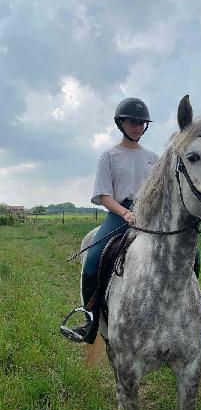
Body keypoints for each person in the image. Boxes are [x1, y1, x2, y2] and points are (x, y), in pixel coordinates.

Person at [61, 97, 159, 344]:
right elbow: (104, 195)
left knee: (193, 255)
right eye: (132, 122)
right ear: (121, 123)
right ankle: (90, 321)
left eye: (141, 123)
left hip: (150, 214)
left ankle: (193, 309)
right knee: (93, 261)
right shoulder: (109, 156)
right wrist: (125, 213)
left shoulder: (153, 158)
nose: (137, 127)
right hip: (120, 213)